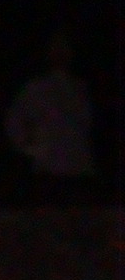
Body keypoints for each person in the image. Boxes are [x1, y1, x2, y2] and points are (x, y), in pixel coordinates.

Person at [5, 32, 94, 179]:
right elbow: (14, 122)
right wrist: (33, 149)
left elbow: (86, 125)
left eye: (64, 47)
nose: (60, 51)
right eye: (56, 47)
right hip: (48, 169)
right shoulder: (36, 88)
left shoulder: (80, 88)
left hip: (79, 168)